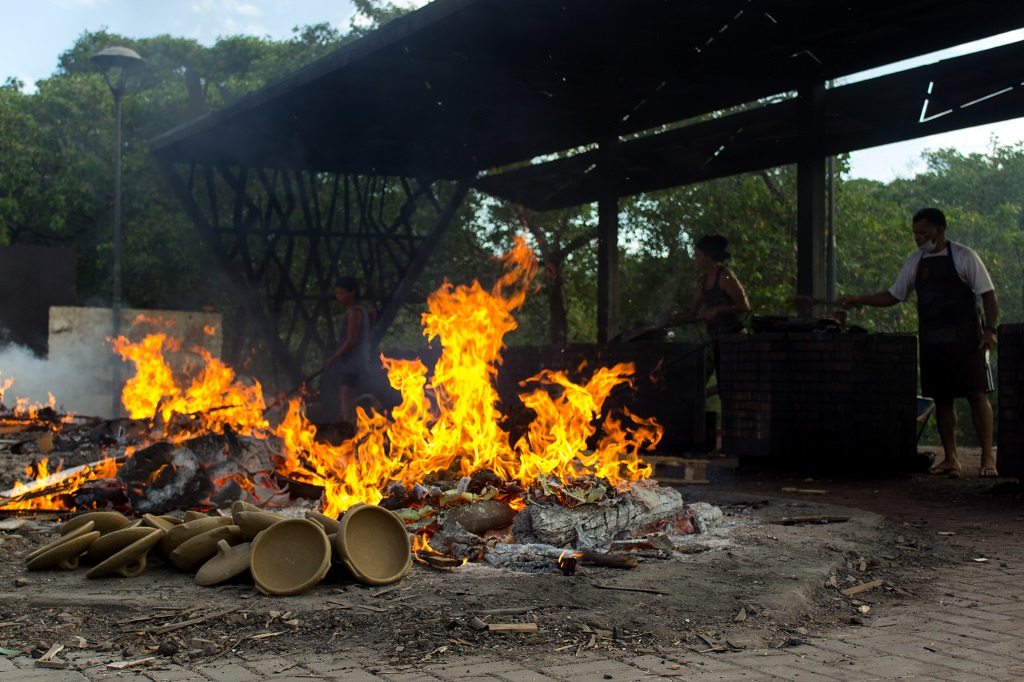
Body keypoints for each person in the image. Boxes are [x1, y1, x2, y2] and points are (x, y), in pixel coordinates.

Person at [837, 207, 999, 478]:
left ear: (939, 230)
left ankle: (987, 458)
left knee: (977, 396)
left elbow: (988, 295)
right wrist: (857, 298)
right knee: (942, 400)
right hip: (933, 343)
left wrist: (990, 330)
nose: (917, 238)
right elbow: (893, 295)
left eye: (922, 232)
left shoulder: (964, 257)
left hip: (967, 341)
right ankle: (951, 459)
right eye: (914, 233)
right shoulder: (915, 262)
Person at [662, 234, 751, 377]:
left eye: (698, 255)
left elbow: (744, 306)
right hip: (717, 339)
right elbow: (692, 312)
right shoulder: (702, 282)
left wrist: (718, 309)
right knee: (723, 381)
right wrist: (671, 319)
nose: (696, 259)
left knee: (736, 381)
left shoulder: (725, 276)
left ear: (708, 256)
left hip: (735, 339)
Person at [324, 276, 373, 424]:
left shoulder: (355, 313)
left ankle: (348, 426)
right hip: (352, 361)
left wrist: (333, 358)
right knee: (346, 393)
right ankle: (347, 422)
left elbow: (351, 340)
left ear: (352, 293)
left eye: (342, 293)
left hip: (354, 362)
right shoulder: (357, 311)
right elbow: (373, 312)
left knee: (346, 393)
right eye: (337, 293)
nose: (339, 296)